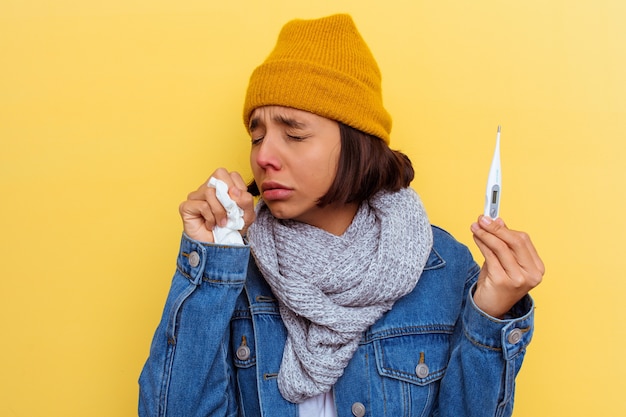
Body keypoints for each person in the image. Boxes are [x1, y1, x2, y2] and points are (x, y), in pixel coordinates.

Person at [138, 13, 544, 417]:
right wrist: (211, 260)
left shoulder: (443, 269)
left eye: (294, 134)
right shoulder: (235, 267)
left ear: (355, 143)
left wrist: (491, 312)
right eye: (256, 136)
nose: (263, 156)